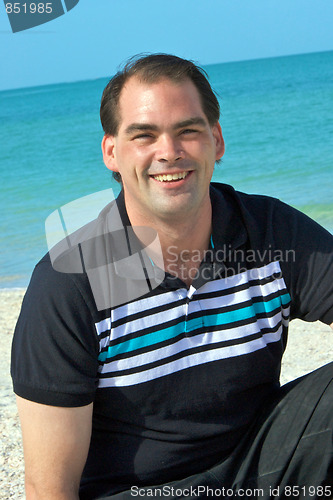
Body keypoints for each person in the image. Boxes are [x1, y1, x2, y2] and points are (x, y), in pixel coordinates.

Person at [11, 54, 333, 500]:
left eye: (188, 130)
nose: (169, 151)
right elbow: (49, 487)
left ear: (216, 141)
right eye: (144, 135)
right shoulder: (70, 283)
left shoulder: (269, 231)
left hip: (258, 469)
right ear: (112, 154)